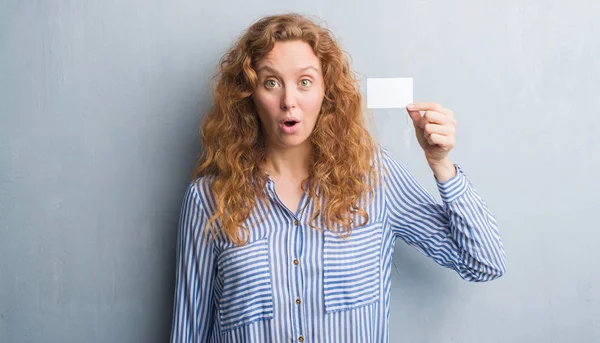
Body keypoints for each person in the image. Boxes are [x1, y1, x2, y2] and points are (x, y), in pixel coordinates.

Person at [169, 13, 505, 343]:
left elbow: (484, 262)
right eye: (271, 82)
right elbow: (188, 332)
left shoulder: (375, 178)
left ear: (325, 91)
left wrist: (440, 163)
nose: (289, 101)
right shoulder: (209, 199)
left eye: (304, 82)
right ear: (249, 95)